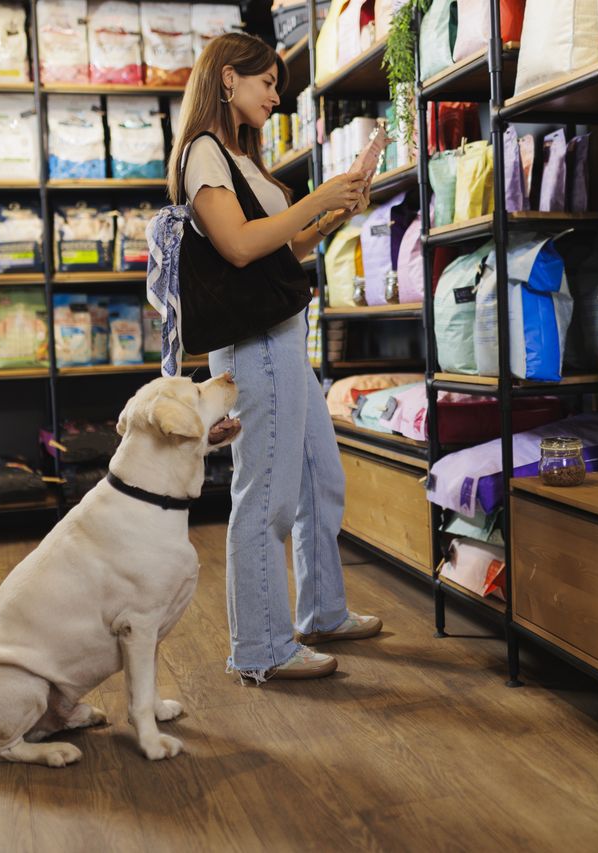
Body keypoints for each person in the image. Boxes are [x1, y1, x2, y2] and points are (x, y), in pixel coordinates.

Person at [166, 32, 382, 681]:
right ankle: (260, 646)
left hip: (284, 334)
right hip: (258, 343)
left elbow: (279, 257)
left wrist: (335, 213)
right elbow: (235, 246)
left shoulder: (243, 159)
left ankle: (322, 610)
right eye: (268, 82)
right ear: (228, 78)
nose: (274, 94)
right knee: (267, 497)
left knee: (320, 479)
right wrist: (316, 198)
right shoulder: (204, 152)